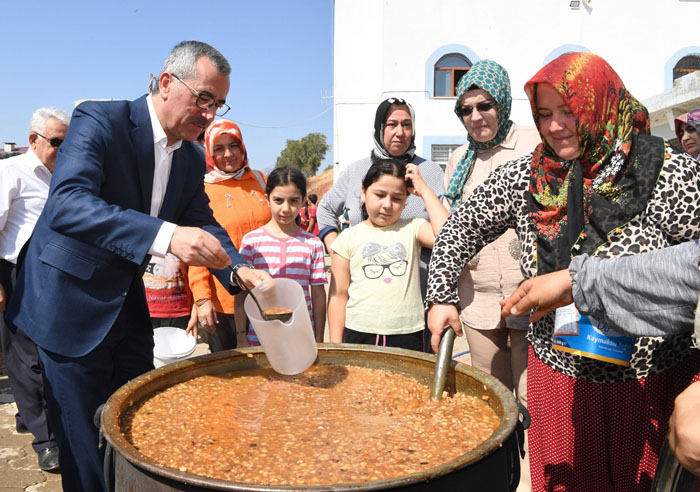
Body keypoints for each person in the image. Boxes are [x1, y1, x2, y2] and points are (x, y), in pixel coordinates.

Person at [425, 52, 700, 491]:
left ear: (601, 103)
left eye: (569, 110)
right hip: (560, 377)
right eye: (545, 114)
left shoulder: (666, 171)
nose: (555, 126)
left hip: (651, 381)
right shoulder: (527, 177)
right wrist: (440, 295)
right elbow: (460, 227)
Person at [5, 41, 271, 492]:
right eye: (203, 99)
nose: (209, 114)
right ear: (166, 82)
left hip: (125, 307)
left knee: (133, 424)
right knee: (82, 445)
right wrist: (166, 235)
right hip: (66, 305)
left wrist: (238, 269)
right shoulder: (99, 120)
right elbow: (68, 205)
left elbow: (201, 220)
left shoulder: (188, 155)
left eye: (218, 104)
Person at [442, 60, 539, 427]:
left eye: (485, 105)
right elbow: (454, 227)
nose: (476, 116)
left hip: (528, 291)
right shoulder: (458, 159)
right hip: (478, 298)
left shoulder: (534, 142)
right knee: (491, 400)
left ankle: (537, 480)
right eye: (466, 110)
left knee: (531, 398)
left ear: (502, 103)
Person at [317, 98, 443, 351]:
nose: (400, 132)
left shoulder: (430, 172)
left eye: (407, 125)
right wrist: (336, 246)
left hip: (414, 302)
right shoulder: (356, 171)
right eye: (392, 124)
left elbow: (447, 232)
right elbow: (326, 209)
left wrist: (423, 189)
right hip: (362, 310)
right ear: (379, 128)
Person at [0, 107, 70, 472]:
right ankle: (46, 440)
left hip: (56, 277)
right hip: (16, 274)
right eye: (57, 141)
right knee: (24, 358)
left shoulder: (66, 176)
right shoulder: (11, 171)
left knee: (49, 356)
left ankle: (30, 415)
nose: (63, 148)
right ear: (33, 140)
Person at [328, 159, 448, 351]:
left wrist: (425, 191)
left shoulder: (413, 228)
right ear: (363, 193)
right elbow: (338, 296)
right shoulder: (348, 237)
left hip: (409, 333)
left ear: (406, 201)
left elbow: (449, 236)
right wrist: (336, 345)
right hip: (358, 332)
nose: (387, 205)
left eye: (397, 198)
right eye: (380, 195)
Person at [187, 119, 270, 351]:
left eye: (233, 145)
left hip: (265, 293)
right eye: (219, 148)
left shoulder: (260, 180)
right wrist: (202, 299)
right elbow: (199, 247)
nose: (228, 154)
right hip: (224, 302)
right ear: (209, 153)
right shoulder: (201, 189)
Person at [238, 166, 327, 343]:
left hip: (301, 335)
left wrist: (319, 337)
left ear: (303, 201)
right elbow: (242, 293)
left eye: (293, 201)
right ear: (267, 199)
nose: (286, 209)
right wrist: (241, 335)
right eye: (278, 200)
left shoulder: (313, 244)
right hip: (260, 336)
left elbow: (318, 294)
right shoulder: (251, 241)